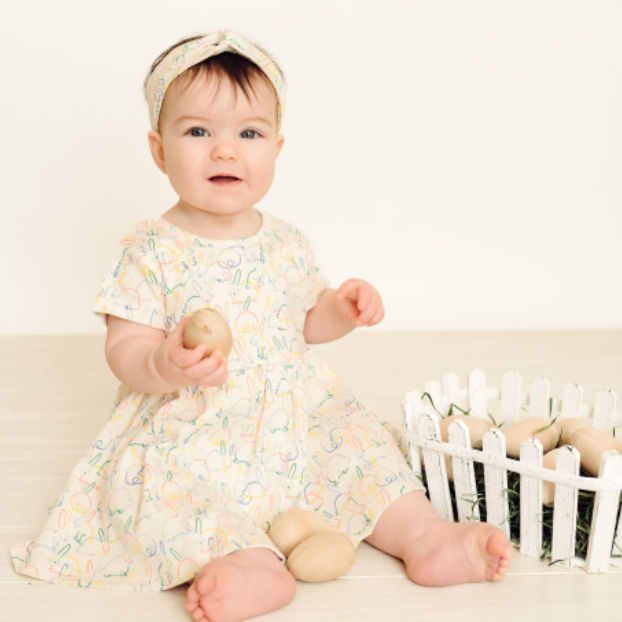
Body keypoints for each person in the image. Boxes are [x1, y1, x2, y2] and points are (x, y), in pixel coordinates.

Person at [10, 28, 512, 622]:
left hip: (294, 414)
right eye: (198, 131)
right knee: (165, 488)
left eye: (248, 134)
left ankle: (424, 537)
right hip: (195, 422)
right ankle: (246, 561)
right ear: (158, 149)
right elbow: (124, 348)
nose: (225, 151)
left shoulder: (286, 241)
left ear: (277, 146)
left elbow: (304, 321)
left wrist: (340, 310)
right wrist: (161, 363)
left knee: (361, 449)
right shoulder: (149, 248)